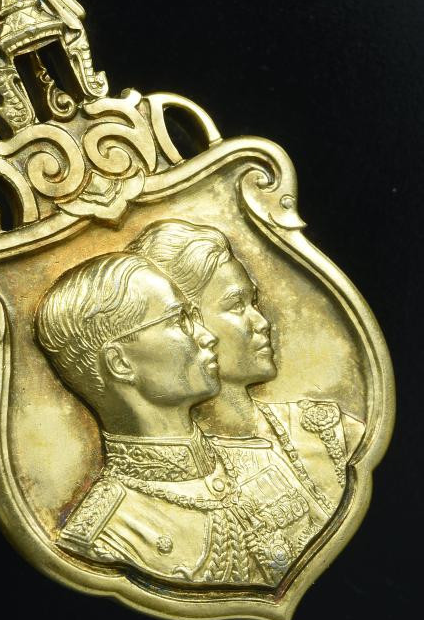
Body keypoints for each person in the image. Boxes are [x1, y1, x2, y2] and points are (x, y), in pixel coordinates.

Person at [36, 253, 266, 584]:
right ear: (120, 363)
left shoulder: (261, 462)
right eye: (178, 320)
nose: (207, 336)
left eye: (192, 316)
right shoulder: (108, 537)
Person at [127, 220, 366, 520]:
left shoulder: (329, 431)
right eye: (236, 306)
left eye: (253, 302)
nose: (262, 322)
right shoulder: (166, 493)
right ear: (187, 322)